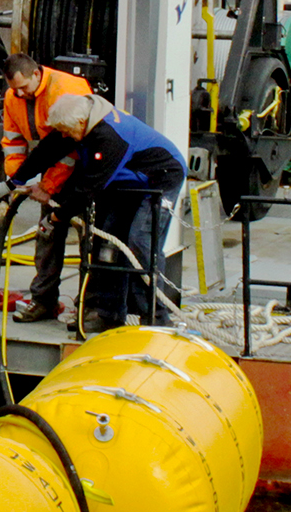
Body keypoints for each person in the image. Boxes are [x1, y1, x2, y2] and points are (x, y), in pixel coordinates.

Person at [10, 92, 188, 333]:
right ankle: (108, 314)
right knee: (106, 244)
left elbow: (88, 188)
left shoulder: (109, 136)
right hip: (125, 181)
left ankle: (156, 318)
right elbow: (47, 150)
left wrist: (57, 216)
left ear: (81, 124)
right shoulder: (78, 122)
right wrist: (13, 182)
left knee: (140, 243)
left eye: (65, 131)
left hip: (160, 178)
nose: (64, 137)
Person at [0, 52, 93, 324]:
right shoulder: (14, 96)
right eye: (14, 88)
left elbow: (67, 148)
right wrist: (17, 181)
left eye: (24, 87)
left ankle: (88, 307)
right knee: (47, 234)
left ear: (37, 74)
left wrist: (47, 187)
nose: (20, 94)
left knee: (89, 240)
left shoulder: (66, 90)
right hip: (51, 172)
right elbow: (13, 142)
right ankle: (44, 301)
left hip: (82, 172)